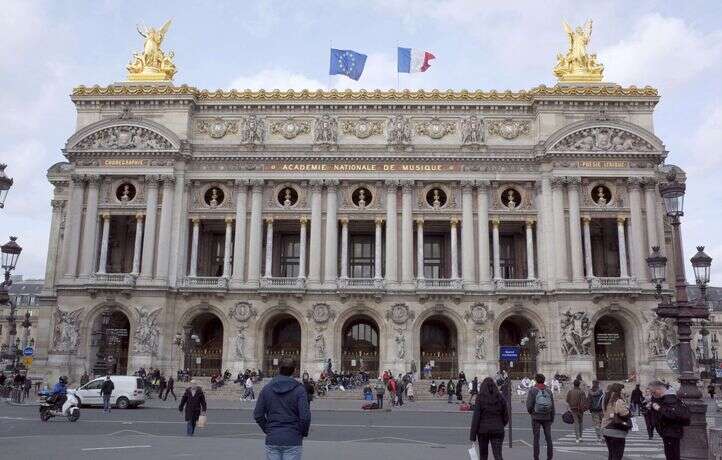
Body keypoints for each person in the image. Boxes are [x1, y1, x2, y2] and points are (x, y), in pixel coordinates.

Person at [254, 358, 311, 460]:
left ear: (278, 369)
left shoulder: (267, 388)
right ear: (294, 370)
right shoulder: (299, 389)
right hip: (293, 437)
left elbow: (258, 414)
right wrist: (301, 433)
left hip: (273, 438)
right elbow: (305, 417)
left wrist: (269, 430)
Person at [648, 380, 690, 460]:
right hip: (670, 431)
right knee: (672, 455)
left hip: (671, 432)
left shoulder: (669, 399)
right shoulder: (668, 398)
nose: (652, 395)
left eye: (653, 392)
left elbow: (672, 415)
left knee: (672, 456)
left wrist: (659, 408)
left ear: (658, 390)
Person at [470, 377, 509, 460]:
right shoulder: (500, 397)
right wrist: (501, 424)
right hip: (498, 429)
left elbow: (476, 417)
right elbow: (506, 415)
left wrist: (472, 435)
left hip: (483, 430)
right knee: (498, 455)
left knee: (483, 456)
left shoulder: (480, 398)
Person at [526, 373, 555, 460]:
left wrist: (531, 413)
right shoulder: (549, 391)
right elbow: (552, 406)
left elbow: (529, 405)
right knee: (548, 438)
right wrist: (551, 417)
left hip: (536, 417)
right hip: (547, 417)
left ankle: (536, 458)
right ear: (544, 380)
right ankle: (549, 457)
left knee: (536, 439)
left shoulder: (533, 390)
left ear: (536, 380)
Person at [602, 383, 630, 460]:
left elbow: (605, 413)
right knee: (617, 455)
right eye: (623, 389)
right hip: (617, 430)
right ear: (619, 391)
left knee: (611, 454)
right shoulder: (619, 401)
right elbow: (625, 414)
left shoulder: (607, 399)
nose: (625, 391)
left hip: (606, 428)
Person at [566, 379, 587, 443]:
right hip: (580, 410)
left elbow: (567, 400)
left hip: (573, 409)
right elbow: (584, 401)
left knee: (576, 423)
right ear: (579, 384)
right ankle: (580, 437)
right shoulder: (582, 392)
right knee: (580, 423)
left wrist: (570, 405)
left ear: (573, 384)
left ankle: (577, 438)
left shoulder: (570, 391)